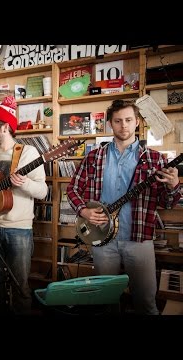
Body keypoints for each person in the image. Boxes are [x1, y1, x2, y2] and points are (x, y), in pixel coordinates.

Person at [66, 99, 181, 315]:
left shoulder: (155, 159)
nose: (124, 125)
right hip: (102, 240)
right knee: (105, 302)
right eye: (118, 121)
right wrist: (83, 211)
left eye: (128, 120)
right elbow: (72, 189)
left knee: (146, 303)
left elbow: (166, 202)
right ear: (110, 123)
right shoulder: (94, 157)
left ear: (137, 122)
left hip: (139, 240)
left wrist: (174, 185)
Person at [0, 95, 48, 315]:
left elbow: (43, 191)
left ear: (5, 127)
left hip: (18, 229)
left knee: (20, 287)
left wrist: (25, 183)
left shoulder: (28, 153)